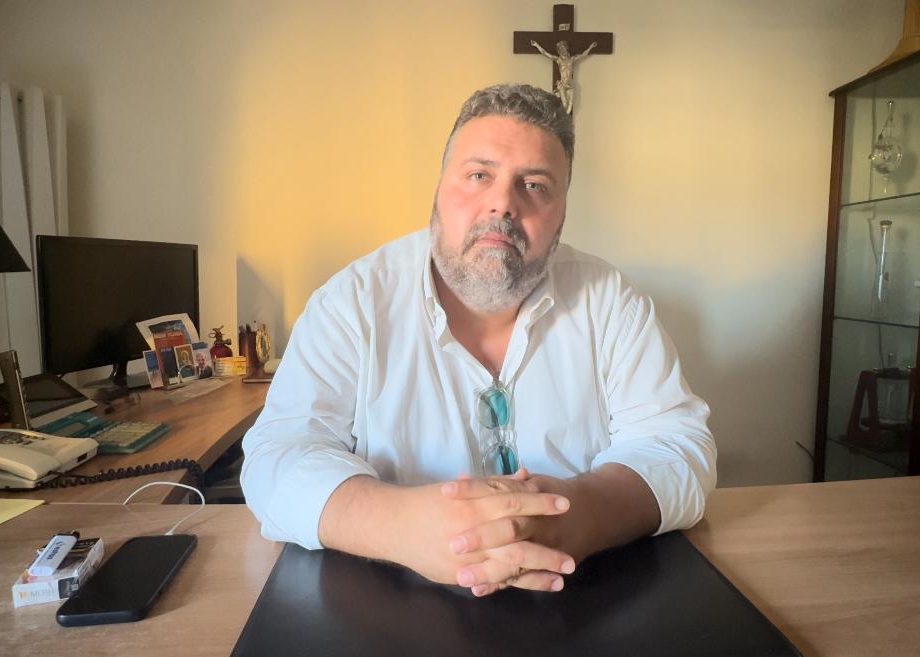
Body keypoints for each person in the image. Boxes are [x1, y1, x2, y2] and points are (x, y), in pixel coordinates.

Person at [241, 83, 715, 597]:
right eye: (478, 175)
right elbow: (277, 457)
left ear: (561, 213)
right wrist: (400, 524)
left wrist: (576, 514)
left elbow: (679, 447)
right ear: (439, 191)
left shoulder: (610, 300)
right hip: (390, 604)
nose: (502, 204)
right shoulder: (351, 303)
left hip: (584, 592)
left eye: (534, 185)